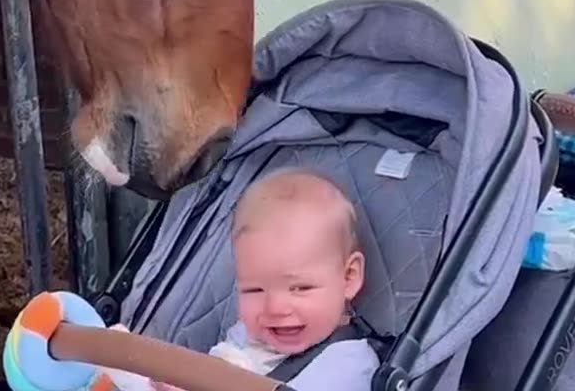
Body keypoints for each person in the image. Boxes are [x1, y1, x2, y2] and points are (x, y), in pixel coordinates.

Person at [108, 168, 381, 391]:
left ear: (348, 278)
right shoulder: (248, 336)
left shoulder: (348, 364)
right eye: (254, 289)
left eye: (300, 287)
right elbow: (213, 373)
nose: (275, 308)